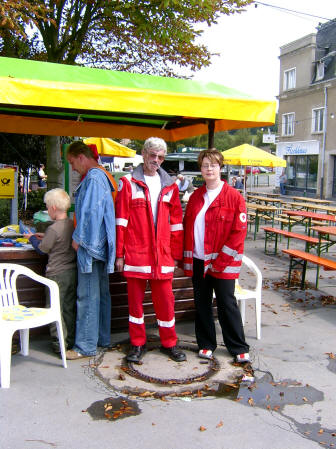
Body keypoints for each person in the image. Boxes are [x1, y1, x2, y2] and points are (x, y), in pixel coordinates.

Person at [115, 137, 186, 363]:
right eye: (152, 155)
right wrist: (119, 254)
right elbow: (121, 222)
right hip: (136, 254)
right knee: (135, 304)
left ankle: (170, 343)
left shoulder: (171, 186)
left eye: (160, 157)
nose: (156, 160)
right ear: (144, 154)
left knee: (166, 302)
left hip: (163, 255)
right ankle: (137, 344)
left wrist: (175, 255)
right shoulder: (128, 183)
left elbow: (176, 224)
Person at [183, 149, 250, 363]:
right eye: (204, 165)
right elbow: (188, 228)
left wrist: (220, 261)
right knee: (202, 304)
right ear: (200, 169)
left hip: (223, 263)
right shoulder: (195, 196)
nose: (209, 169)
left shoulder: (234, 197)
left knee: (226, 304)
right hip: (199, 261)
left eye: (213, 164)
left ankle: (238, 347)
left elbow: (238, 233)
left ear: (221, 167)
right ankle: (205, 344)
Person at [65, 140, 116, 360]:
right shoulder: (102, 175)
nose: (73, 168)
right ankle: (101, 339)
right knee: (101, 295)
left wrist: (79, 239)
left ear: (81, 157)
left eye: (72, 162)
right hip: (100, 245)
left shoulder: (94, 177)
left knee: (87, 296)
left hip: (90, 246)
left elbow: (90, 213)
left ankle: (84, 346)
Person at [23, 188, 77, 354]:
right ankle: (69, 341)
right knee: (68, 308)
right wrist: (44, 235)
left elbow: (42, 250)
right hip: (71, 272)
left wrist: (31, 238)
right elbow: (59, 240)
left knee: (55, 309)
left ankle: (57, 343)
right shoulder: (70, 224)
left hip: (56, 274)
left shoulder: (53, 229)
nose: (47, 210)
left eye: (47, 206)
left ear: (53, 207)